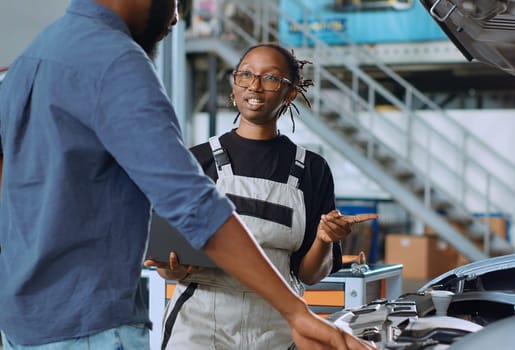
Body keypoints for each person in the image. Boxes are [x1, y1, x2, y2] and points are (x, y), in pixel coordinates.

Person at [0, 1, 376, 349]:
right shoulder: (116, 61)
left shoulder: (30, 59)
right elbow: (194, 206)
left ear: (290, 93)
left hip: (23, 325)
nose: (176, 18)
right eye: (175, 0)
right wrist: (297, 313)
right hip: (92, 326)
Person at [146, 43, 379, 349]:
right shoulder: (196, 161)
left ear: (290, 92)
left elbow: (309, 275)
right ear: (234, 82)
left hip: (276, 327)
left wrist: (325, 238)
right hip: (200, 325)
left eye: (270, 78)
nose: (254, 85)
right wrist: (171, 268)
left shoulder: (311, 170)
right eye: (246, 75)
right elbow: (168, 260)